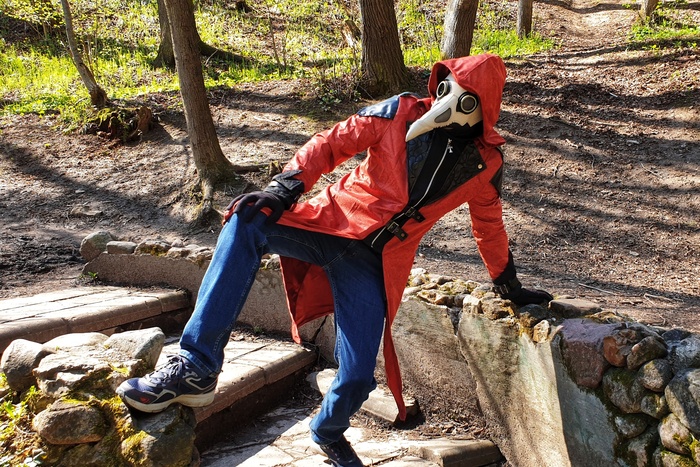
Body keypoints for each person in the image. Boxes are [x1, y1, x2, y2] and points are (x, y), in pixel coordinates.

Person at [117, 53, 553, 467]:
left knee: (359, 376)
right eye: (445, 86)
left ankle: (328, 430)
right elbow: (333, 142)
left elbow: (488, 226)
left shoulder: (486, 163)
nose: (445, 99)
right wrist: (285, 187)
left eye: (461, 95)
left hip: (375, 263)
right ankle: (197, 364)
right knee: (247, 218)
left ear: (480, 106)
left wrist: (508, 284)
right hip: (329, 224)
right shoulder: (400, 111)